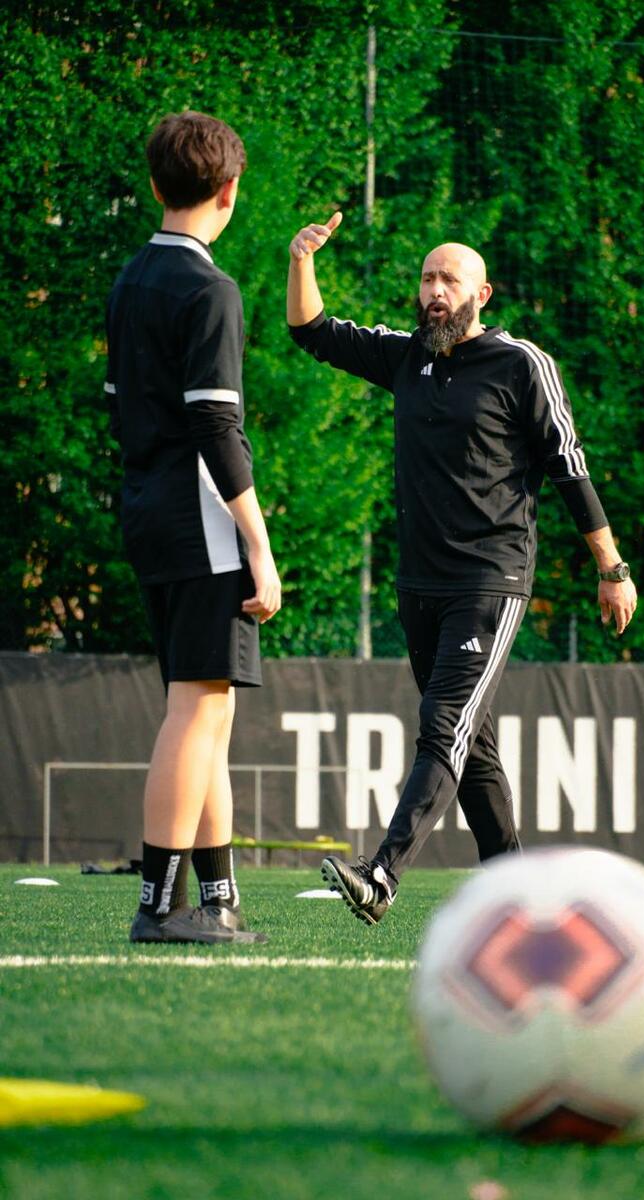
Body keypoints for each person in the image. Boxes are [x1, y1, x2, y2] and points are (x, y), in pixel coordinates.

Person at [287, 212, 637, 925]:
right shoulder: (406, 355)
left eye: (450, 279)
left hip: (492, 578)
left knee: (442, 723)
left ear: (484, 294)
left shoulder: (520, 365)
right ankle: (517, 887)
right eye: (427, 278)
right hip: (418, 583)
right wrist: (301, 259)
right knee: (467, 742)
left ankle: (381, 874)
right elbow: (311, 331)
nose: (434, 290)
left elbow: (571, 471)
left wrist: (613, 566)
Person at [105, 111, 281, 943]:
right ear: (230, 191)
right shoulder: (210, 288)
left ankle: (216, 902)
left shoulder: (132, 278)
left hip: (146, 508)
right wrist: (259, 543)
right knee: (196, 713)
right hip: (199, 517)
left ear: (154, 187)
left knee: (207, 710)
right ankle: (158, 907)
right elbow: (217, 428)